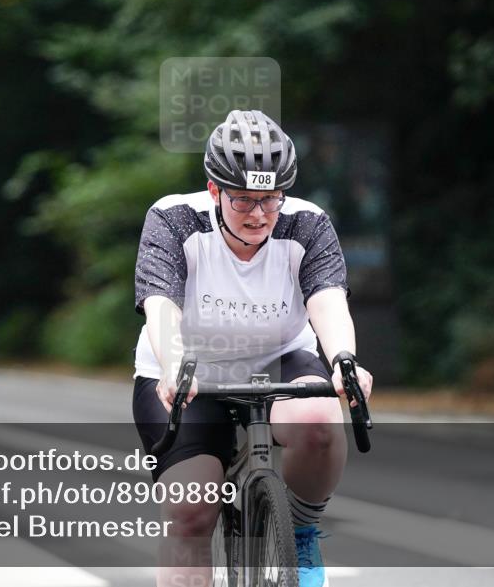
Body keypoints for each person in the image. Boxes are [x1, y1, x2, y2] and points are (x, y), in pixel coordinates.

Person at [132, 110, 373, 587]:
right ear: (215, 189)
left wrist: (345, 359)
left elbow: (327, 300)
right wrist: (176, 365)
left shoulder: (307, 223)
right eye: (244, 200)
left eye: (271, 199)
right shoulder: (173, 219)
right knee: (191, 510)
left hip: (279, 358)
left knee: (319, 420)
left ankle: (300, 533)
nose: (260, 214)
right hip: (191, 368)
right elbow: (161, 304)